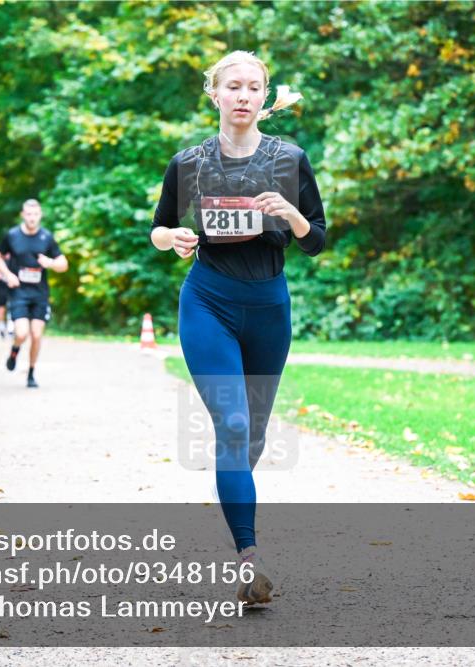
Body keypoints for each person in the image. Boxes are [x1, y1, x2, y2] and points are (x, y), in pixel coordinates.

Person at [150, 51, 326, 605]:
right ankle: (249, 561)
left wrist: (291, 214)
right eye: (234, 86)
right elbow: (159, 228)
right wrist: (173, 239)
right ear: (216, 95)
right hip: (208, 301)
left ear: (264, 96)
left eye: (254, 86)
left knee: (250, 436)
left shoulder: (290, 159)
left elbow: (316, 238)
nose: (244, 95)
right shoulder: (189, 163)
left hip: (269, 306)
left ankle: (235, 494)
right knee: (230, 423)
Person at [0, 198, 68, 388]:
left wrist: (50, 263)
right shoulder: (12, 235)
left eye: (35, 214)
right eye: (28, 214)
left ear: (40, 215)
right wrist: (7, 274)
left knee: (36, 335)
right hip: (19, 292)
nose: (32, 218)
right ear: (23, 215)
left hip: (40, 293)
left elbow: (63, 264)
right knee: (21, 333)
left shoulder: (46, 237)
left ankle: (31, 373)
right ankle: (15, 350)